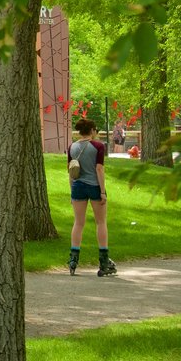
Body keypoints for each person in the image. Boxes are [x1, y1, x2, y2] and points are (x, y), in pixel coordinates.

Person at [67, 118, 116, 277]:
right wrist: (103, 191)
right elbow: (99, 169)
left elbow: (71, 170)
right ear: (92, 130)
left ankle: (73, 259)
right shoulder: (98, 146)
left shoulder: (72, 147)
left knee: (78, 223)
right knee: (101, 222)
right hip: (94, 186)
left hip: (78, 187)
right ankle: (104, 261)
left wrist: (71, 191)